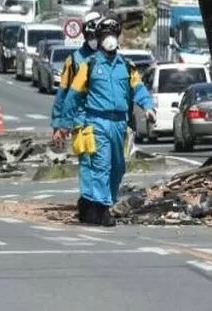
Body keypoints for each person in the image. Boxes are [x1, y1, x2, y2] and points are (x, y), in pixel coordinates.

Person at [60, 17, 155, 226]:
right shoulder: (89, 65)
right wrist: (64, 124)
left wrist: (148, 107)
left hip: (120, 124)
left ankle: (101, 203)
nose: (109, 40)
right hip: (97, 122)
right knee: (101, 165)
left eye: (112, 35)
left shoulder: (126, 66)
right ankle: (102, 209)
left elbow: (139, 90)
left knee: (118, 167)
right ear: (100, 39)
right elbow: (73, 95)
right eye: (105, 36)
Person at [50, 11, 102, 134]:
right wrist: (58, 124)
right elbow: (63, 94)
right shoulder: (74, 60)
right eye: (91, 36)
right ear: (85, 35)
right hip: (82, 122)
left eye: (96, 36)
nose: (94, 40)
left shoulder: (111, 58)